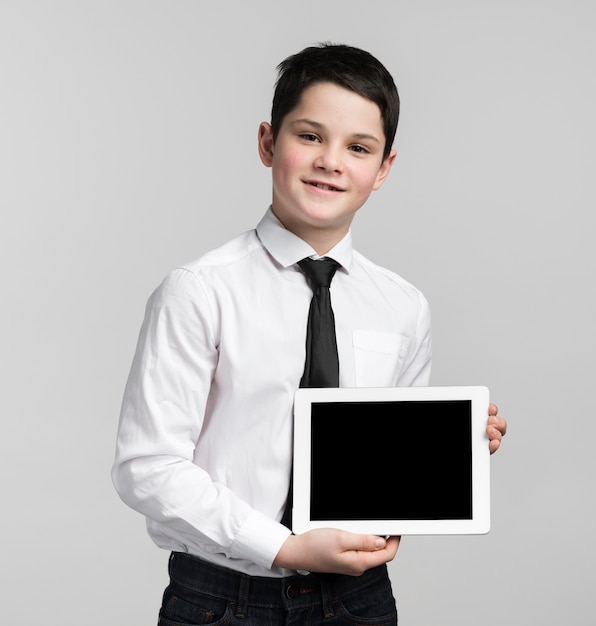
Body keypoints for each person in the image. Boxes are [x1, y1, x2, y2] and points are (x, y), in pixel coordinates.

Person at [112, 42, 507, 625]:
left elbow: (383, 470)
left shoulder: (402, 306)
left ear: (383, 170)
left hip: (357, 600)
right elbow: (147, 467)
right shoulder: (200, 291)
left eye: (358, 148)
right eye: (310, 136)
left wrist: (450, 449)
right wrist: (283, 547)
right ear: (269, 142)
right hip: (223, 600)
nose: (331, 161)